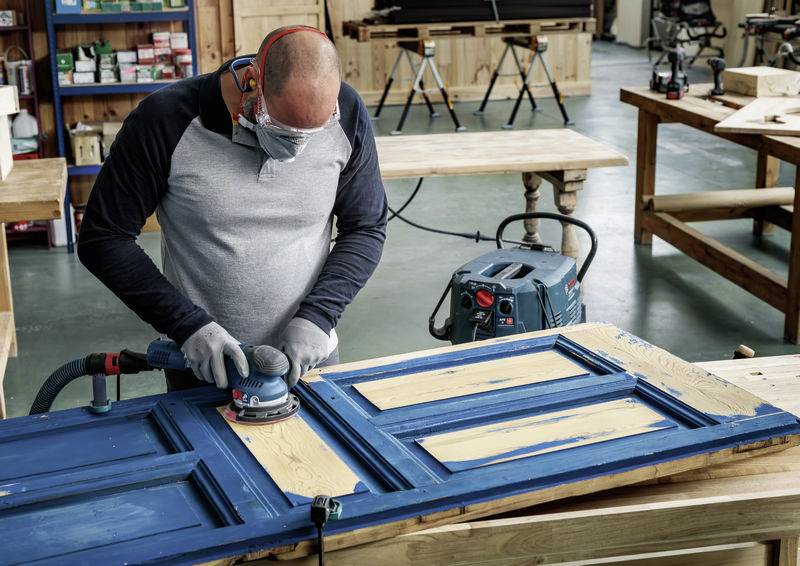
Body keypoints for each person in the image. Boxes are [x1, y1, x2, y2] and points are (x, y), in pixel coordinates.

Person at [78, 26, 387, 391]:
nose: (297, 148)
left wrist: (319, 316)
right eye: (284, 129)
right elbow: (104, 237)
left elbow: (366, 227)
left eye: (312, 134)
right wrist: (186, 325)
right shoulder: (166, 120)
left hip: (309, 354)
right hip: (205, 360)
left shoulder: (347, 113)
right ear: (252, 80)